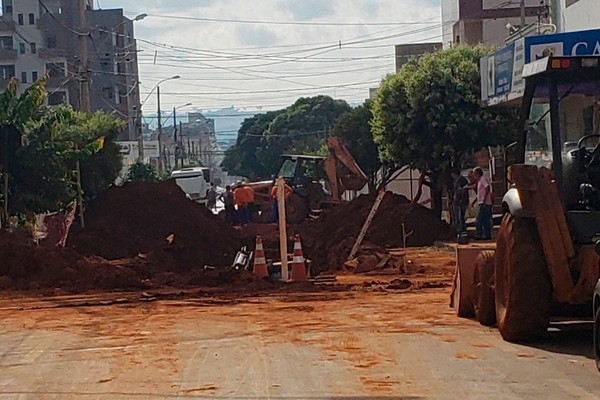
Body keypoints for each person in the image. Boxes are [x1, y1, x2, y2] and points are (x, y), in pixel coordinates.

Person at [469, 167, 493, 240]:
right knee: (485, 220)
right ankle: (486, 235)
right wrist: (474, 201)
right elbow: (480, 193)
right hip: (482, 202)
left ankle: (479, 235)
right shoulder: (479, 181)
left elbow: (487, 187)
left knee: (479, 220)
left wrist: (484, 199)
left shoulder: (482, 179)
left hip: (484, 203)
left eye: (474, 173)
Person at [450, 169, 469, 235]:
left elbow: (463, 191)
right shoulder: (455, 181)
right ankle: (459, 231)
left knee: (460, 217)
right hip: (456, 202)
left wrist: (461, 200)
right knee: (457, 217)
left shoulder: (462, 180)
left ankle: (462, 231)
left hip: (461, 202)